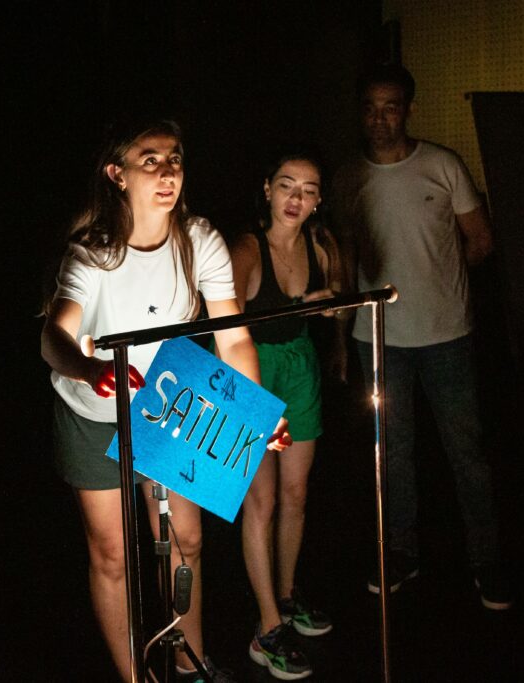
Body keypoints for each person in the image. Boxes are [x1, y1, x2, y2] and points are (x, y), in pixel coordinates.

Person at [41, 118, 286, 682]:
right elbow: (53, 336)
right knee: (112, 554)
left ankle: (188, 661)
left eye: (174, 158)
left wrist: (252, 415)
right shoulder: (93, 252)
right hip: (92, 414)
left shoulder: (199, 240)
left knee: (186, 540)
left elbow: (234, 339)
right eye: (149, 160)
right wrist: (89, 368)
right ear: (117, 174)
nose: (167, 171)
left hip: (168, 404)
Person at [332, 63, 511, 609]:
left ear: (408, 109)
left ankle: (487, 560)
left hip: (446, 334)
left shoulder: (441, 164)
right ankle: (401, 552)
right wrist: (341, 337)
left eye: (390, 107)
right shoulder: (348, 176)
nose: (379, 118)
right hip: (376, 336)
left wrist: (440, 283)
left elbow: (480, 239)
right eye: (370, 108)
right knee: (391, 452)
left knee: (466, 450)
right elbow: (345, 258)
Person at [229, 153, 344, 679]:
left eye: (308, 189)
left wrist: (330, 311)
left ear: (319, 199)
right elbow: (225, 323)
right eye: (286, 186)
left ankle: (286, 594)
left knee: (296, 493)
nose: (296, 198)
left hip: (300, 363)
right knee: (263, 500)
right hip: (251, 368)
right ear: (267, 190)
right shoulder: (247, 247)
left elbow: (335, 299)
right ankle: (267, 627)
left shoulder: (321, 243)